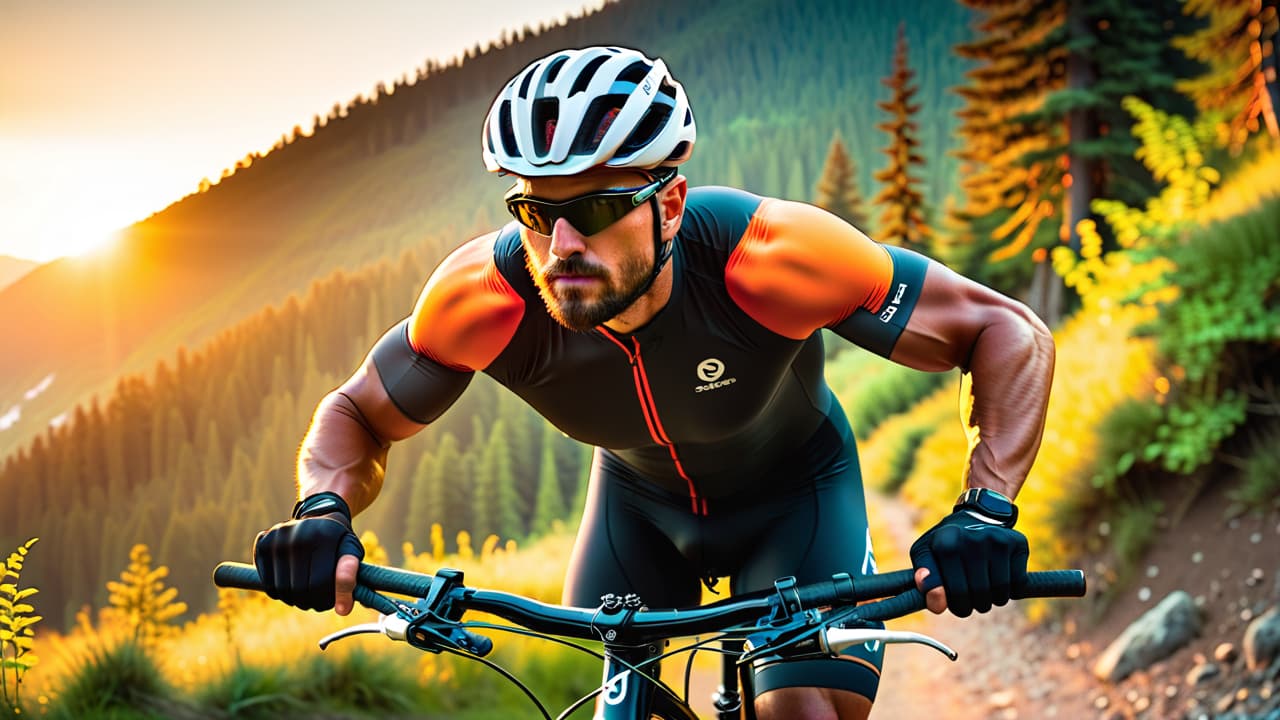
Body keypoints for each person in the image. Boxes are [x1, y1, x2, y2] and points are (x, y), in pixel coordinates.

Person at [252, 46, 1055, 719]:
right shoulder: (486, 300)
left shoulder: (768, 260)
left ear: (669, 202)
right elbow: (357, 412)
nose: (561, 243)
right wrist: (322, 510)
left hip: (798, 497)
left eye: (597, 209)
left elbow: (1005, 331)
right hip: (636, 514)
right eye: (535, 211)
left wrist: (984, 509)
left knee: (802, 715)